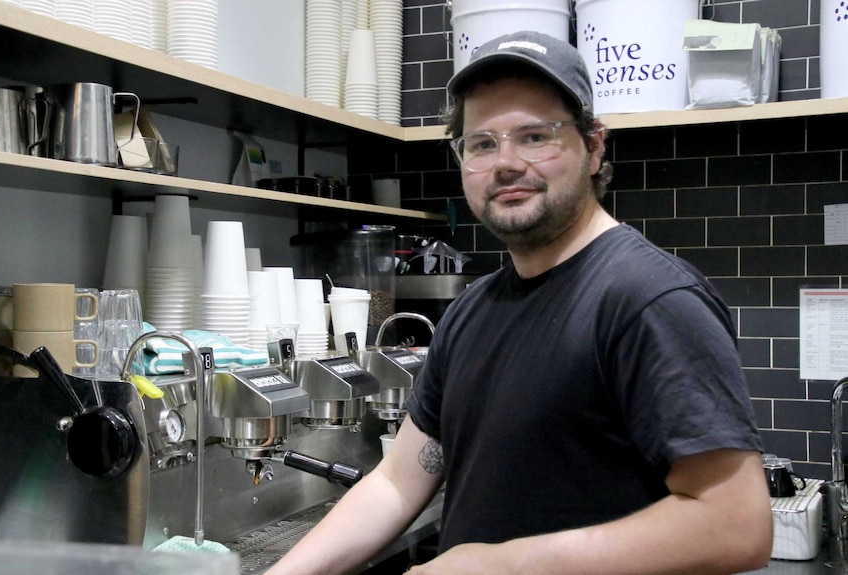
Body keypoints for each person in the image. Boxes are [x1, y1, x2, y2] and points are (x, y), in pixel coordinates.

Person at [267, 31, 773, 575]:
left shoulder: (650, 300)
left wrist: (504, 565)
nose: (505, 163)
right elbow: (397, 481)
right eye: (482, 143)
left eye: (535, 136)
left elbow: (734, 525)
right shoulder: (470, 313)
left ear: (594, 144)